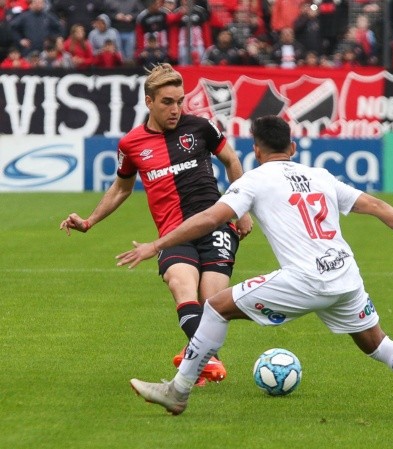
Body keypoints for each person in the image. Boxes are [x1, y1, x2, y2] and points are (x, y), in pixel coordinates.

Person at [118, 115, 393, 420]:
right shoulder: (320, 176)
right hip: (345, 277)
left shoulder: (254, 180)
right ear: (293, 147)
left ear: (256, 150)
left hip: (304, 280)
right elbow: (378, 206)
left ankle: (177, 392)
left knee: (214, 307)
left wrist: (157, 244)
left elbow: (210, 218)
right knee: (377, 343)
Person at [60, 63, 253, 385]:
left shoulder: (201, 128)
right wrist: (90, 221)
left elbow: (232, 160)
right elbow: (121, 187)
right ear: (149, 102)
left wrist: (243, 211)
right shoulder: (131, 145)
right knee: (181, 285)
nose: (175, 109)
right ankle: (210, 359)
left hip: (216, 227)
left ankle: (195, 358)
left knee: (212, 305)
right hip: (173, 234)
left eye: (179, 101)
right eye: (167, 102)